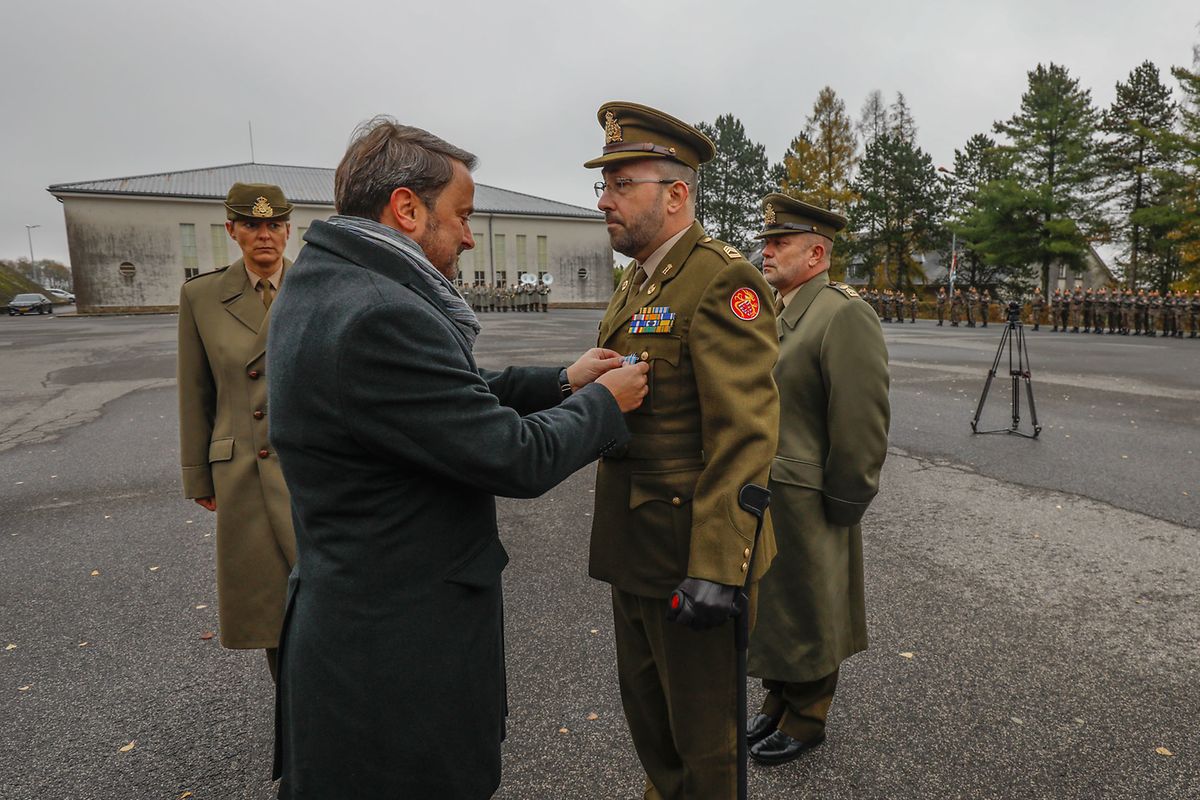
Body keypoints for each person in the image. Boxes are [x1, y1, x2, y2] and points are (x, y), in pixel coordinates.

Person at [267, 117, 649, 799]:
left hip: (361, 630)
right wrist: (606, 405)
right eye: (463, 216)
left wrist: (563, 380)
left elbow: (445, 402)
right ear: (407, 209)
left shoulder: (331, 282)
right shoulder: (379, 313)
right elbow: (510, 457)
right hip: (395, 661)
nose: (470, 236)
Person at [585, 101, 780, 799]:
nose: (604, 200)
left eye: (619, 184)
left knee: (706, 747)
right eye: (601, 186)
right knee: (654, 731)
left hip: (689, 558)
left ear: (675, 195)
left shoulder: (722, 280)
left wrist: (720, 566)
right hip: (636, 548)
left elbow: (746, 433)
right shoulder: (639, 280)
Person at [748, 194, 890, 764]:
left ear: (816, 253)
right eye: (767, 241)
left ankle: (809, 718)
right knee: (776, 607)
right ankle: (779, 699)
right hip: (770, 489)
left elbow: (861, 417)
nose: (767, 251)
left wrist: (846, 496)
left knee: (810, 608)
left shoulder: (841, 312)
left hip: (810, 495)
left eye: (779, 243)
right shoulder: (782, 311)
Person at [177, 182, 298, 684]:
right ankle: (296, 741)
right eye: (251, 224)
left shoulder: (316, 286)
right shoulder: (202, 296)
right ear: (231, 230)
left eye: (273, 225)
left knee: (325, 603)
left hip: (308, 465)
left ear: (289, 230)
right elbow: (195, 390)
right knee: (271, 612)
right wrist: (198, 477)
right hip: (244, 473)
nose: (263, 235)